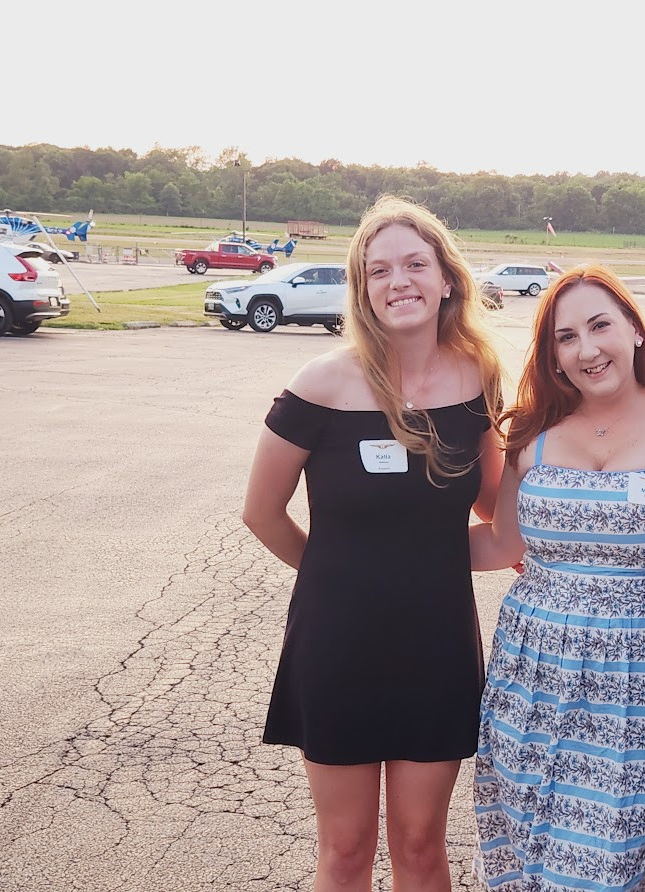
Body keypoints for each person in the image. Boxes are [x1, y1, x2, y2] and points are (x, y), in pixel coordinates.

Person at [242, 194, 505, 891]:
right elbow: (262, 513)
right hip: (338, 646)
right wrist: (338, 575)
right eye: (378, 269)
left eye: (415, 263)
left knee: (421, 846)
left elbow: (497, 516)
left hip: (436, 646)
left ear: (446, 277)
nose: (399, 282)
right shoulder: (320, 384)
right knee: (347, 850)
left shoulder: (476, 379)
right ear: (362, 289)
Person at [470, 265, 645, 892]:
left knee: (609, 868)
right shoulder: (531, 429)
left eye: (600, 325)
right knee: (532, 862)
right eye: (565, 337)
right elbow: (501, 542)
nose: (586, 349)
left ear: (635, 328)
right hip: (531, 680)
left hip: (639, 688)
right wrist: (381, 549)